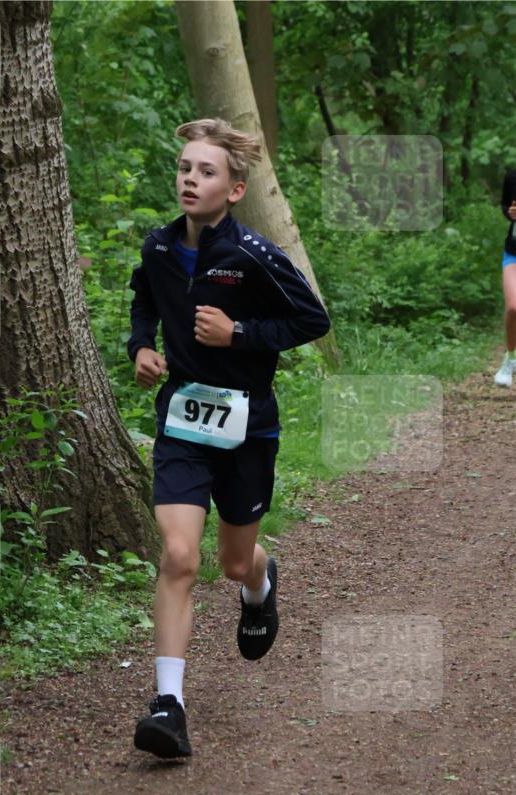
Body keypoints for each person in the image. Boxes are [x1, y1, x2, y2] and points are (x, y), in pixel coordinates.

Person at [127, 118, 330, 759]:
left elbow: (310, 319)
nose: (191, 179)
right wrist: (141, 347)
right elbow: (143, 301)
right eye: (185, 168)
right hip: (183, 422)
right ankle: (169, 706)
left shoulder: (253, 256)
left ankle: (259, 586)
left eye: (206, 171)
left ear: (235, 189)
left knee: (233, 561)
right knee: (180, 557)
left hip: (247, 428)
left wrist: (238, 336)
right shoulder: (158, 250)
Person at [494, 166, 516, 387]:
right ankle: (510, 360)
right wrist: (509, 213)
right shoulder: (512, 175)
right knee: (513, 308)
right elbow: (504, 205)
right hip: (514, 252)